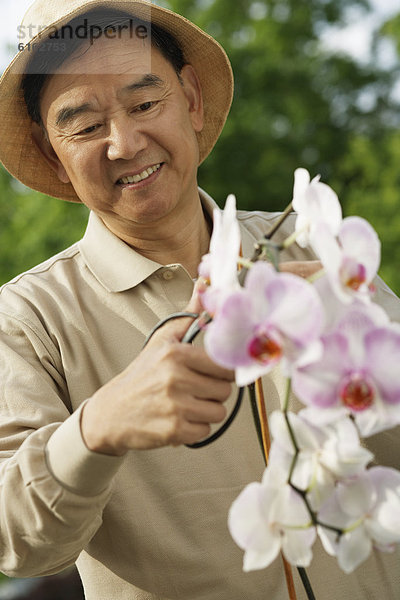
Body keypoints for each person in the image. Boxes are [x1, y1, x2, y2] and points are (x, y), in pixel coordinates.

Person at [0, 1, 399, 599]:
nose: (124, 143)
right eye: (84, 126)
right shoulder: (28, 319)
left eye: (144, 104)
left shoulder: (315, 251)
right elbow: (18, 544)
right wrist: (100, 427)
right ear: (50, 147)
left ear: (190, 99)